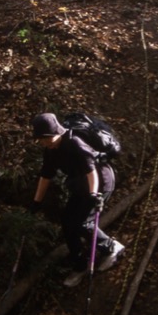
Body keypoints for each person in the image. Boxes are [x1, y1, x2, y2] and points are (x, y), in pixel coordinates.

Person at [30, 113, 124, 287]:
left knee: (83, 223)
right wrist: (36, 202)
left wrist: (94, 194)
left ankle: (111, 247)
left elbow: (92, 171)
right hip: (80, 185)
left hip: (100, 182)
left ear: (52, 133)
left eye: (43, 138)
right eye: (40, 139)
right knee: (67, 221)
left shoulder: (74, 143)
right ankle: (80, 264)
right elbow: (45, 176)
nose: (42, 142)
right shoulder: (50, 151)